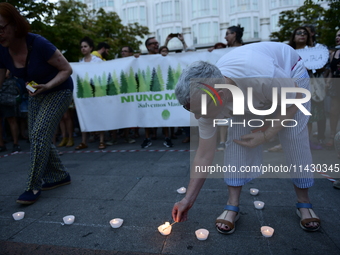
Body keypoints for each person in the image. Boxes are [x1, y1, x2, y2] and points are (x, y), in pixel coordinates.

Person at [172, 42, 320, 233]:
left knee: (293, 136)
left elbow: (295, 98)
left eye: (200, 111)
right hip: (250, 91)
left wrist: (267, 134)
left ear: (221, 95)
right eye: (192, 111)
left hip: (289, 77)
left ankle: (304, 202)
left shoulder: (262, 75)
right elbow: (204, 154)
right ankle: (232, 205)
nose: (198, 117)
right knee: (238, 140)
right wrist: (187, 199)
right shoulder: (204, 99)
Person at [0, 2, 73, 204]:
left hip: (59, 89)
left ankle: (32, 186)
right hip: (35, 93)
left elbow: (67, 69)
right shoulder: (2, 51)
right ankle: (60, 175)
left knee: (40, 133)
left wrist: (47, 85)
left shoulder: (38, 43)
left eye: (1, 27)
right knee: (35, 137)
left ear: (15, 24)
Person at [140, 37, 173, 148]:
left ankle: (167, 138)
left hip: (161, 90)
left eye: (156, 43)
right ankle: (147, 138)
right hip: (147, 91)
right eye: (153, 43)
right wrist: (135, 58)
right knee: (147, 114)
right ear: (147, 46)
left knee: (164, 112)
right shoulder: (141, 59)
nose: (156, 45)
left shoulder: (162, 57)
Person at [75, 36, 106, 150]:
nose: (83, 49)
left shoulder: (97, 60)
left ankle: (102, 140)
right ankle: (84, 141)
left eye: (85, 46)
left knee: (99, 115)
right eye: (81, 47)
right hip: (85, 93)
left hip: (97, 91)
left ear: (91, 48)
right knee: (84, 115)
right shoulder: (80, 62)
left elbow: (102, 74)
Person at [0, 71, 21, 152]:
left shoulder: (5, 59)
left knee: (11, 118)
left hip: (7, 93)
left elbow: (6, 74)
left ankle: (16, 143)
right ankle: (1, 144)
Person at [326, 29, 340, 148]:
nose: (337, 38)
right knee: (333, 111)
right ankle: (332, 135)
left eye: (339, 35)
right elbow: (331, 71)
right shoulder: (333, 54)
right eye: (336, 36)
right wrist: (328, 82)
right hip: (336, 84)